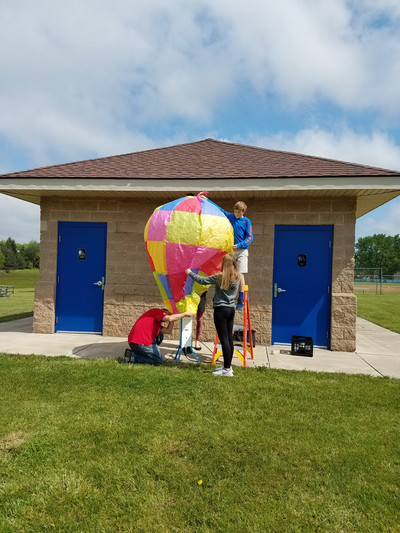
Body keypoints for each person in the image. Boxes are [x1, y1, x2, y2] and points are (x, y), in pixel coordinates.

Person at [185, 254, 240, 377]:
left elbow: (202, 281)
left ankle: (226, 370)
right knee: (229, 339)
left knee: (224, 339)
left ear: (224, 264)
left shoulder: (220, 277)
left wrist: (189, 272)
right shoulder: (237, 276)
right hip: (231, 309)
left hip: (221, 310)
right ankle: (228, 366)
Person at [206, 198, 253, 310]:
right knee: (224, 272)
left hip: (241, 251)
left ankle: (240, 299)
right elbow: (220, 209)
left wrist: (240, 245)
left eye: (239, 212)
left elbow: (250, 237)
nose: (236, 213)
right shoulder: (231, 216)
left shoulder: (246, 221)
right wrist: (207, 200)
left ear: (243, 212)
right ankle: (220, 295)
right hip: (231, 251)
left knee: (240, 274)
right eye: (235, 211)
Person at [127, 308, 194, 365]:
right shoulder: (157, 311)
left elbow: (168, 331)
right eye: (168, 314)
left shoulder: (156, 323)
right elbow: (169, 318)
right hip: (141, 343)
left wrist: (173, 319)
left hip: (133, 343)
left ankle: (137, 353)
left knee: (160, 336)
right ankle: (134, 357)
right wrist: (185, 314)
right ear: (164, 312)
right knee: (158, 361)